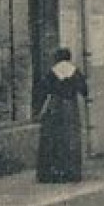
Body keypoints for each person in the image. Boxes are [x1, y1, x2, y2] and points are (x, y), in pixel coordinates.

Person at [36, 47, 88, 183]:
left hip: (55, 107)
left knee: (55, 139)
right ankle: (71, 172)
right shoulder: (74, 71)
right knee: (71, 138)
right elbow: (84, 89)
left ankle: (55, 172)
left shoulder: (52, 72)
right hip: (70, 106)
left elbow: (44, 88)